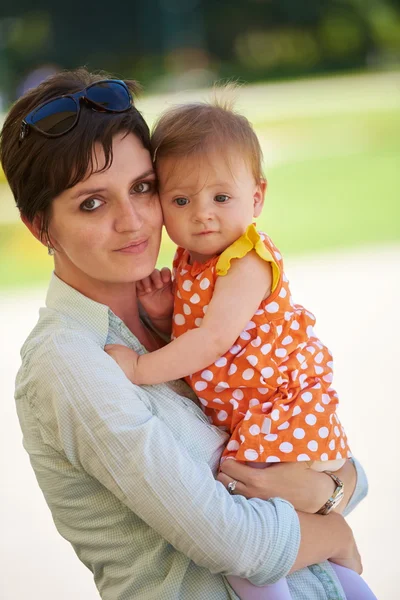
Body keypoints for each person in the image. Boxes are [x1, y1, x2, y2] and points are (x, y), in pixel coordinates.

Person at [1, 68, 367, 600]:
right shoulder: (68, 362)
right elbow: (233, 543)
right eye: (92, 202)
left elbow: (341, 463)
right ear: (40, 227)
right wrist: (333, 527)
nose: (134, 222)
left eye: (143, 188)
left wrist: (327, 491)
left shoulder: (188, 302)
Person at [104, 97, 377, 600]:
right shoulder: (193, 260)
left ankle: (339, 555)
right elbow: (197, 331)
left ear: (257, 197)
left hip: (278, 410)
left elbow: (211, 340)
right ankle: (345, 579)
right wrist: (166, 317)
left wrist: (141, 367)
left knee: (249, 544)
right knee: (274, 541)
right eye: (181, 201)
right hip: (252, 413)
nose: (202, 215)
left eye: (220, 198)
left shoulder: (246, 260)